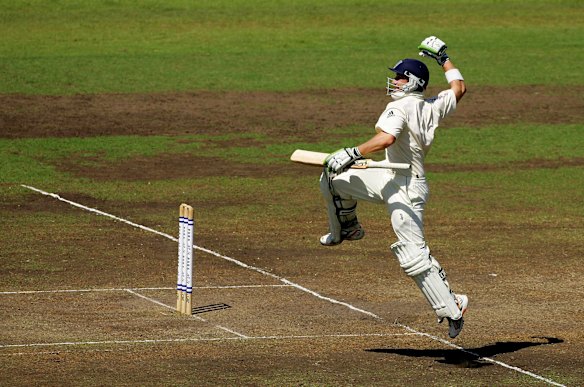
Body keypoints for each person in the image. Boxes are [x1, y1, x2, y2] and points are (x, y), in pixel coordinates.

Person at [318, 36, 468, 338]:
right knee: (333, 179)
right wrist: (444, 59)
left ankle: (453, 305)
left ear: (413, 82)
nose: (395, 81)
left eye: (401, 77)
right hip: (388, 176)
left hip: (408, 188)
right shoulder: (433, 105)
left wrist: (352, 153)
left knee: (412, 255)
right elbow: (459, 88)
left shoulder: (398, 108)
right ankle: (347, 229)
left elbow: (386, 139)